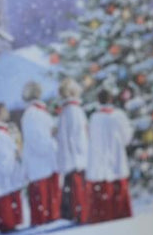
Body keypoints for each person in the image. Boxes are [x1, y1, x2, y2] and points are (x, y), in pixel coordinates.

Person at [85, 88, 133, 223]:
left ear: (98, 101)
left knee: (103, 193)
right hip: (117, 158)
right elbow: (126, 138)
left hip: (101, 162)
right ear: (111, 99)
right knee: (119, 190)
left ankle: (103, 216)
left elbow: (91, 139)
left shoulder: (94, 118)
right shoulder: (119, 116)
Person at [20, 81, 60, 225]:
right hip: (42, 161)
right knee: (44, 198)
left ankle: (46, 216)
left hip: (41, 162)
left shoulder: (33, 113)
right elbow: (39, 140)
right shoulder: (34, 114)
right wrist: (52, 144)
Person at [0, 102, 24, 233]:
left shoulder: (2, 132)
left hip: (8, 171)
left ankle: (10, 222)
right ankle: (7, 223)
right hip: (4, 173)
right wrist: (13, 154)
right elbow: (2, 155)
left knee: (9, 194)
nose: (7, 113)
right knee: (5, 196)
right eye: (4, 111)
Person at [56, 77, 90, 222]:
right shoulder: (74, 110)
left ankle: (76, 213)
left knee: (73, 188)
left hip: (70, 158)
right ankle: (83, 214)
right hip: (78, 158)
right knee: (79, 188)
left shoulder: (65, 111)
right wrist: (83, 152)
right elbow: (78, 135)